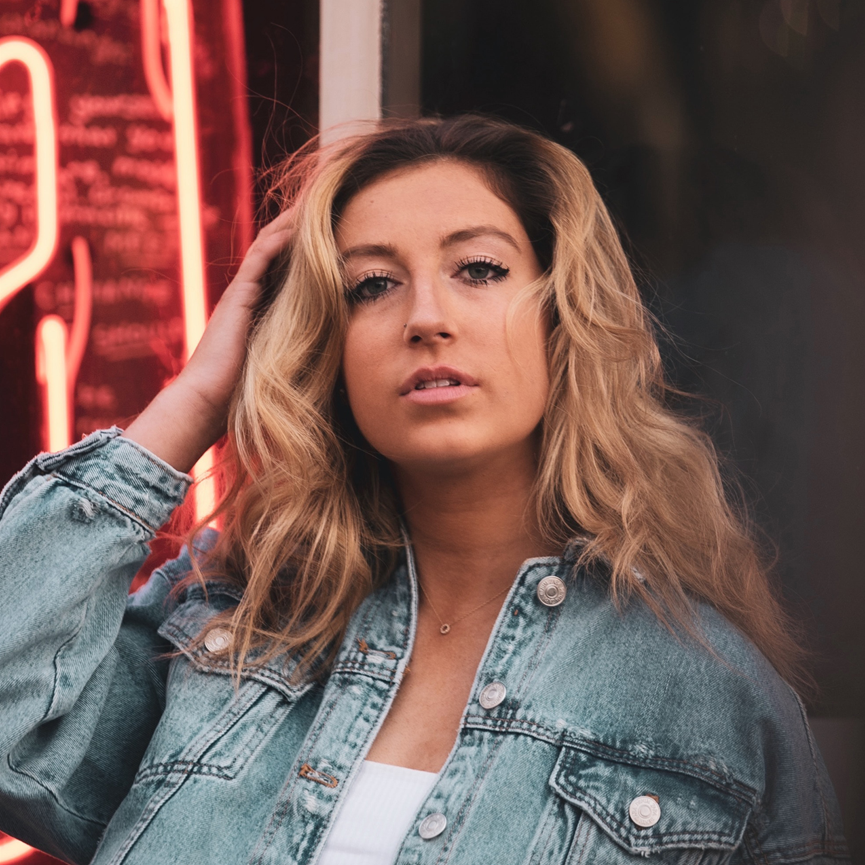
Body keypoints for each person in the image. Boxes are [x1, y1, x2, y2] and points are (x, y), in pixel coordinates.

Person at [0, 116, 849, 865]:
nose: (425, 315)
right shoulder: (227, 627)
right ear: (328, 346)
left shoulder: (707, 700)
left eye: (478, 268)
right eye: (371, 284)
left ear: (564, 318)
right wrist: (193, 401)